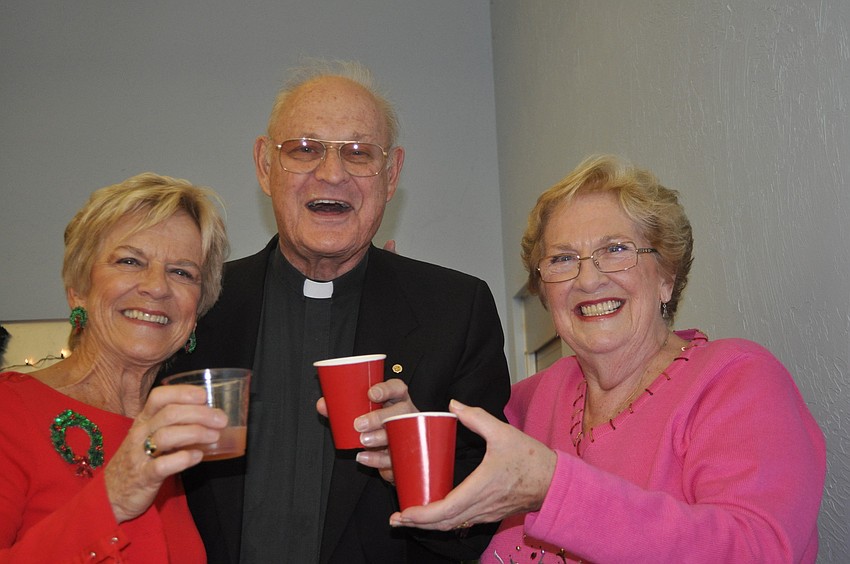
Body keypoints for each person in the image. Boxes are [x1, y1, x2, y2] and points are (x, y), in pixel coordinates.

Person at [388, 154, 827, 563]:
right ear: (546, 293)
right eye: (562, 259)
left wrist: (555, 489)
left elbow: (756, 550)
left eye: (615, 250)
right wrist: (411, 451)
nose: (588, 279)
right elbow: (462, 511)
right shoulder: (527, 401)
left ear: (666, 276)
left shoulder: (734, 380)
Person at [162, 59, 511, 563]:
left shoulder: (455, 310)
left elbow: (486, 514)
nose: (331, 174)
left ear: (391, 175)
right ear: (264, 165)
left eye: (359, 153)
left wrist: (415, 460)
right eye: (304, 149)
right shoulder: (201, 303)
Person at [0, 173, 230, 561]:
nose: (157, 286)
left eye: (182, 272)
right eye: (129, 261)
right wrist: (112, 499)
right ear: (79, 290)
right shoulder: (9, 413)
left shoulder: (181, 433)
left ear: (196, 313)